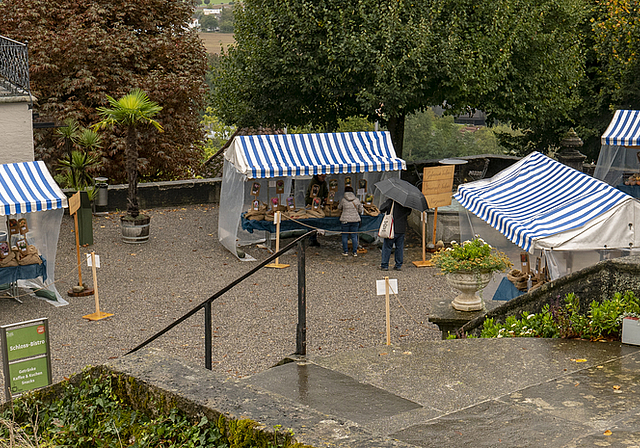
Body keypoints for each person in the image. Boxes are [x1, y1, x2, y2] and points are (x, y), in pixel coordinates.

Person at [379, 198, 412, 271]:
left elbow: (381, 208)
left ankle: (385, 265)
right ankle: (398, 265)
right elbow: (409, 212)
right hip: (401, 228)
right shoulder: (406, 204)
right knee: (399, 247)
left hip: (391, 228)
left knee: (387, 247)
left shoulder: (391, 201)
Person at [338, 186, 363, 257]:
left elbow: (339, 207)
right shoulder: (357, 200)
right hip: (355, 220)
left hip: (345, 220)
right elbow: (360, 210)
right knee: (354, 236)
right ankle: (354, 252)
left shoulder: (343, 200)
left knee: (345, 236)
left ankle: (345, 251)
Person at [305, 173, 328, 246]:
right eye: (322, 177)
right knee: (312, 221)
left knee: (316, 222)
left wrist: (326, 197)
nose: (323, 178)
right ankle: (311, 238)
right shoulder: (313, 183)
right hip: (311, 203)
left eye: (324, 176)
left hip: (318, 203)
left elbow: (326, 192)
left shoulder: (324, 183)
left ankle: (314, 238)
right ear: (318, 176)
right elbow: (312, 194)